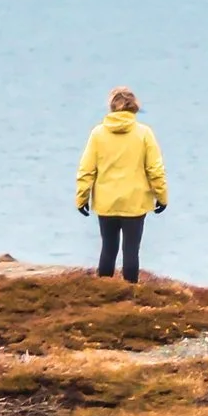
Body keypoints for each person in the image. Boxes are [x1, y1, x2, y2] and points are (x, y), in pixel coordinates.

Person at [76, 87, 168, 281]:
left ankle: (104, 294)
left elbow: (86, 170)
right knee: (131, 251)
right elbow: (155, 169)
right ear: (134, 107)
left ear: (111, 106)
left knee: (108, 248)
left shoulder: (98, 133)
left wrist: (82, 198)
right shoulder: (144, 133)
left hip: (106, 203)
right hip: (134, 203)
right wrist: (162, 196)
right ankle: (130, 295)